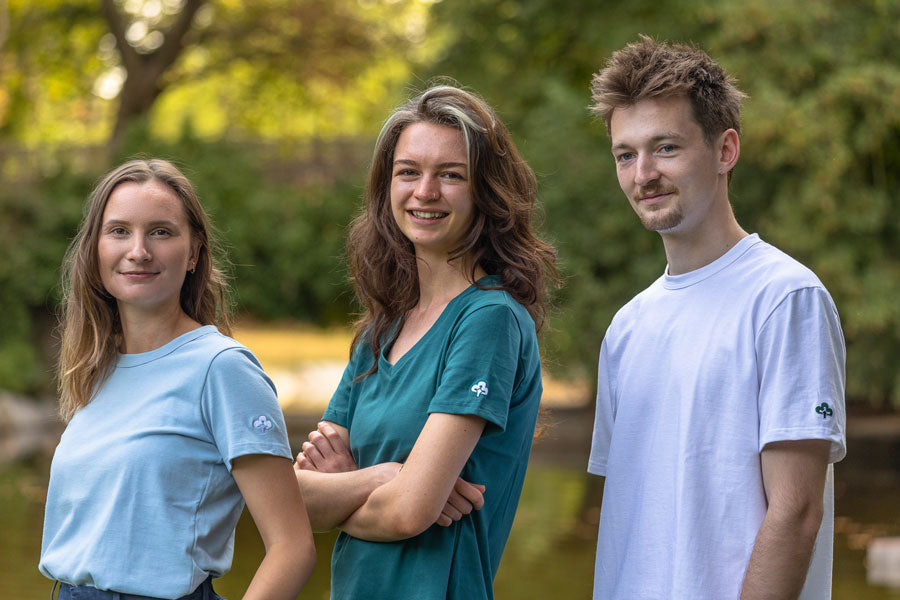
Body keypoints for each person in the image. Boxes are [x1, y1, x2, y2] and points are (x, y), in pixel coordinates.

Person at [587, 36, 846, 599]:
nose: (643, 174)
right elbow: (636, 521)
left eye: (666, 148)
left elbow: (797, 514)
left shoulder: (785, 299)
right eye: (625, 154)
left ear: (725, 150)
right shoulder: (626, 328)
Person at [293, 84, 558, 599]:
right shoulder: (379, 331)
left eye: (451, 175)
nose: (425, 191)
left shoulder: (489, 320)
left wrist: (350, 486)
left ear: (486, 190)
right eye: (409, 171)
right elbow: (295, 502)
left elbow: (410, 512)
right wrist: (384, 477)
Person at [39, 159, 316, 600]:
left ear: (194, 253)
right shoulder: (97, 367)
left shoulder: (222, 368)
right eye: (119, 231)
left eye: (161, 232)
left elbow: (292, 547)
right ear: (95, 250)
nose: (138, 250)